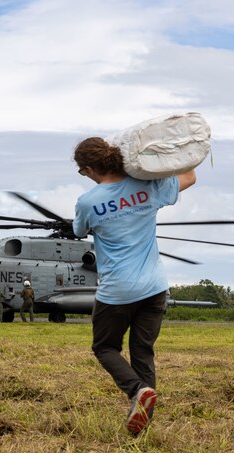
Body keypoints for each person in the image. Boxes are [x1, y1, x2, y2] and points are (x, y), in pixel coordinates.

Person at [72, 136, 197, 435]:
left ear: (90, 169)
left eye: (82, 172)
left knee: (104, 347)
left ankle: (136, 391)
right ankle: (142, 422)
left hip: (118, 291)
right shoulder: (148, 188)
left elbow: (79, 229)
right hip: (155, 288)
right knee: (142, 352)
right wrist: (183, 148)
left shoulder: (88, 201)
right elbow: (190, 176)